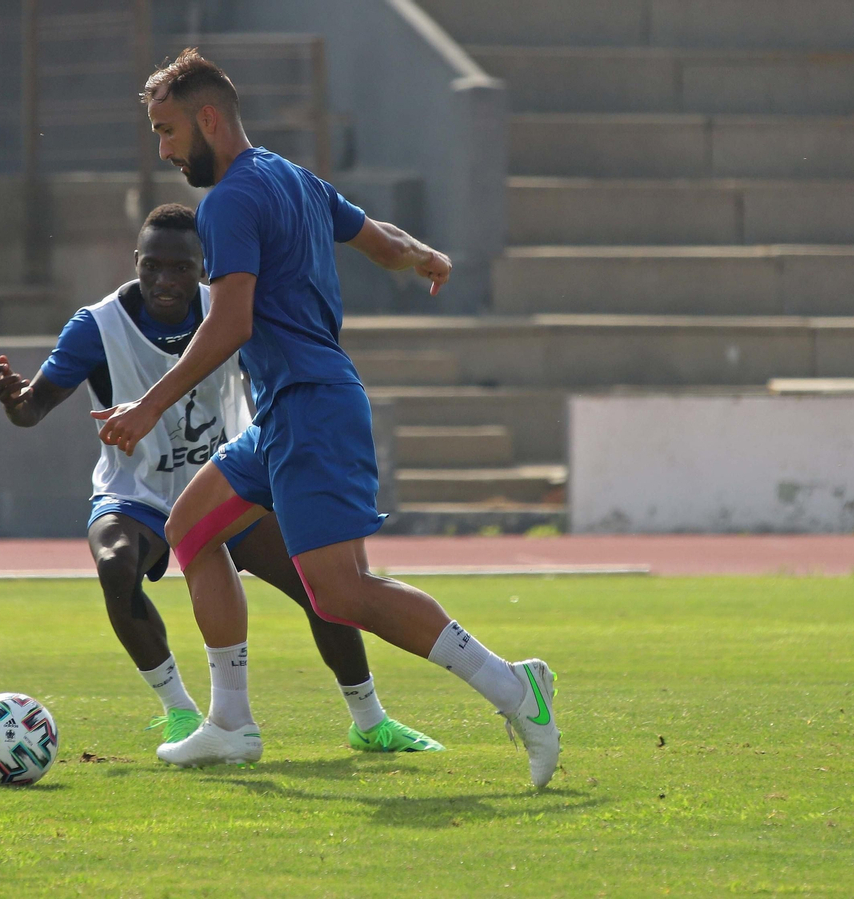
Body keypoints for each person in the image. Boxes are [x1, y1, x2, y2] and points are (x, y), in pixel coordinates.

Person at [93, 50, 562, 786]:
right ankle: (230, 724)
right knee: (190, 529)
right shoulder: (295, 178)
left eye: (167, 130)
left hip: (310, 405)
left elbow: (232, 322)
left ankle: (514, 687)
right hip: (287, 411)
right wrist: (425, 256)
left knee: (341, 592)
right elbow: (381, 240)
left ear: (208, 118)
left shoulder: (227, 203)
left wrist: (149, 405)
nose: (164, 149)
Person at [0, 203, 443, 755]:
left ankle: (370, 722)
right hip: (137, 492)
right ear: (136, 262)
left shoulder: (229, 312)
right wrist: (15, 401)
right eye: (152, 266)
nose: (165, 280)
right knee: (115, 567)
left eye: (181, 267)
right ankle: (181, 714)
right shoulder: (97, 326)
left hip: (231, 485)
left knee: (323, 589)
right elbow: (33, 407)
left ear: (204, 268)